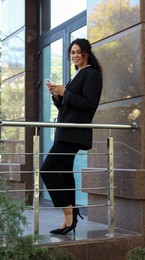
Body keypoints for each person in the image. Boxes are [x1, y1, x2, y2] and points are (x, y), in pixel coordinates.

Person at [40, 38, 102, 235]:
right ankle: (70, 219)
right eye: (72, 52)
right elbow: (68, 108)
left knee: (47, 170)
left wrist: (65, 91)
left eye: (78, 52)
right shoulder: (77, 75)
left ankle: (69, 213)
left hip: (73, 134)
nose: (75, 55)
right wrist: (58, 96)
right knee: (64, 172)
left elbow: (88, 105)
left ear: (86, 53)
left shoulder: (92, 75)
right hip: (65, 132)